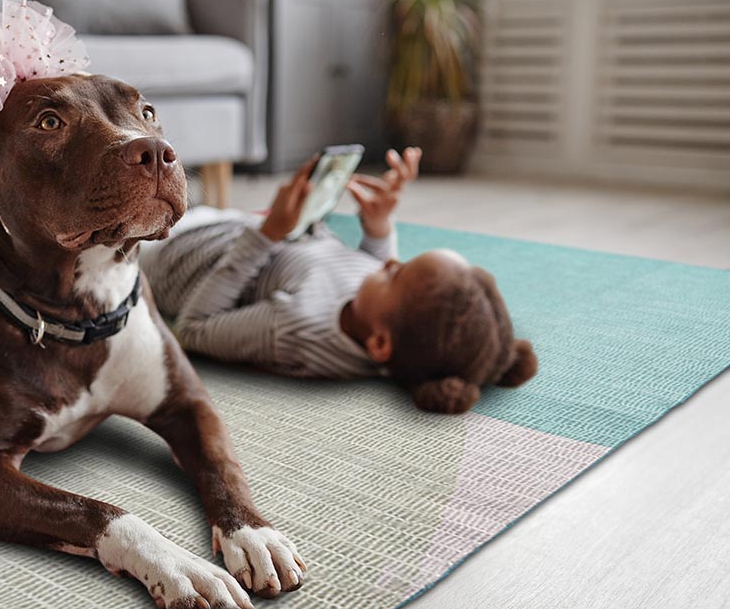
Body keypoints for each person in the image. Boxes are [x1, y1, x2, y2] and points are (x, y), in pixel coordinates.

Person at [141, 148, 538, 413]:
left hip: (171, 255)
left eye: (397, 273)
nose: (389, 263)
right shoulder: (378, 321)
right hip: (236, 230)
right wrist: (379, 226)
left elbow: (193, 328)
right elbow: (369, 272)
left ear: (380, 343)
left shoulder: (296, 327)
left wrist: (267, 235)